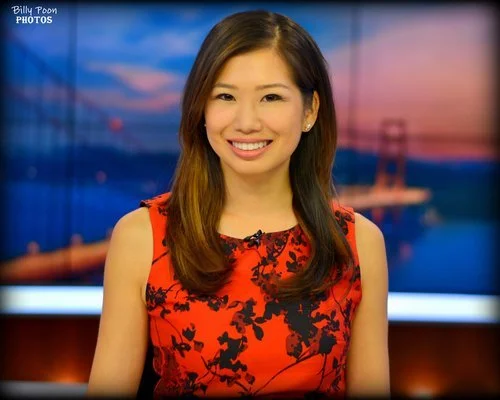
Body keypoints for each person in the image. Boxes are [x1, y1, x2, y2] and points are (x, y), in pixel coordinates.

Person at [87, 9, 390, 399]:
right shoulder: (141, 236)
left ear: (310, 110)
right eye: (225, 96)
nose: (246, 122)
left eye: (271, 97)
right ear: (201, 109)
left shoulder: (358, 243)